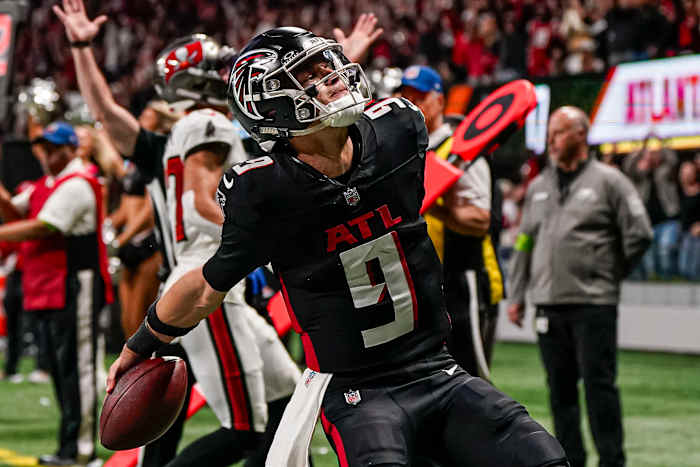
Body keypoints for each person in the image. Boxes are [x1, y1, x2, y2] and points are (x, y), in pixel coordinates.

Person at [108, 27, 569, 467]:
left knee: (543, 455)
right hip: (358, 392)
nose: (331, 78)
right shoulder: (265, 190)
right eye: (308, 75)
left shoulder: (398, 130)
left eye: (327, 66)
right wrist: (140, 344)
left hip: (437, 369)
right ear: (270, 105)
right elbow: (206, 287)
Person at [52, 3, 305, 465]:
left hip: (199, 280)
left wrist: (81, 47)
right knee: (244, 427)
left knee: (287, 397)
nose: (226, 74)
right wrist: (261, 241)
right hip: (205, 279)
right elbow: (200, 202)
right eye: (216, 68)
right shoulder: (208, 124)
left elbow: (107, 113)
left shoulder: (179, 135)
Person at [507, 106, 653, 467]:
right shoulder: (538, 187)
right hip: (548, 304)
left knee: (600, 388)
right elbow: (524, 241)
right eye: (550, 134)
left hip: (593, 304)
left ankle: (612, 461)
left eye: (559, 133)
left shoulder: (610, 181)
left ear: (581, 135)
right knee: (560, 394)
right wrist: (518, 294)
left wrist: (610, 272)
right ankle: (570, 461)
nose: (551, 141)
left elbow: (640, 233)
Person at [0, 122, 112, 466]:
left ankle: (81, 449)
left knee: (77, 368)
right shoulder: (46, 185)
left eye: (54, 149)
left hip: (76, 283)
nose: (47, 156)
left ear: (71, 150)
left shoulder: (77, 184)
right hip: (49, 285)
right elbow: (15, 211)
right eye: (44, 149)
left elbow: (43, 226)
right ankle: (69, 446)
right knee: (62, 369)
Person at [399, 65, 504, 380]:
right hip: (426, 283)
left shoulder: (463, 149)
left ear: (440, 101)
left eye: (421, 97)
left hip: (463, 279)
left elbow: (480, 220)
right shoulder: (408, 152)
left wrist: (435, 207)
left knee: (471, 378)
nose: (413, 104)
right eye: (407, 97)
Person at [622, 135, 681, 279]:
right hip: (646, 222)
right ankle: (654, 280)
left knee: (665, 249)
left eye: (654, 154)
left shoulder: (665, 171)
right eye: (649, 154)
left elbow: (673, 159)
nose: (651, 156)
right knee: (649, 254)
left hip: (667, 219)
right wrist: (642, 147)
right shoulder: (639, 175)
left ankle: (669, 279)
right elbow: (627, 165)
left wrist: (660, 143)